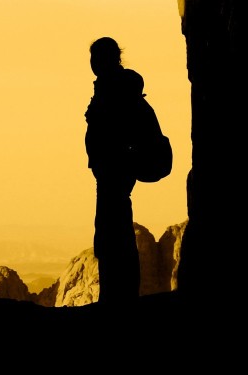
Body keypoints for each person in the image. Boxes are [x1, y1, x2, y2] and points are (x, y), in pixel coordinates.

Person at [84, 36, 144, 308]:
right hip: (111, 169)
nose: (93, 64)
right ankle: (118, 294)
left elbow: (110, 129)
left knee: (112, 232)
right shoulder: (115, 86)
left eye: (96, 58)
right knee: (112, 230)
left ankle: (117, 297)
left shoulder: (114, 87)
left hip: (114, 170)